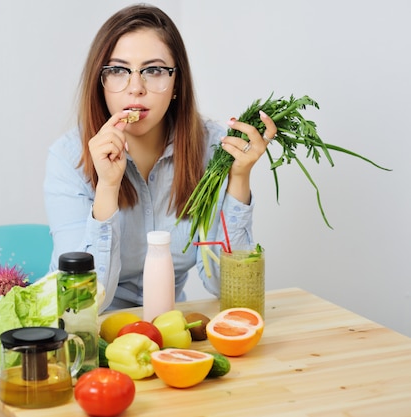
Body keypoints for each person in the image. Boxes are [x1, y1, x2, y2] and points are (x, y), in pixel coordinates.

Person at [44, 4, 276, 312]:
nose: (136, 89)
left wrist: (239, 178)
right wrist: (108, 189)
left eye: (153, 71)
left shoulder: (211, 147)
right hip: (85, 337)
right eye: (117, 71)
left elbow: (227, 288)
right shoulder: (68, 158)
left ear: (177, 82)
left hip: (166, 331)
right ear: (100, 83)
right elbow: (83, 304)